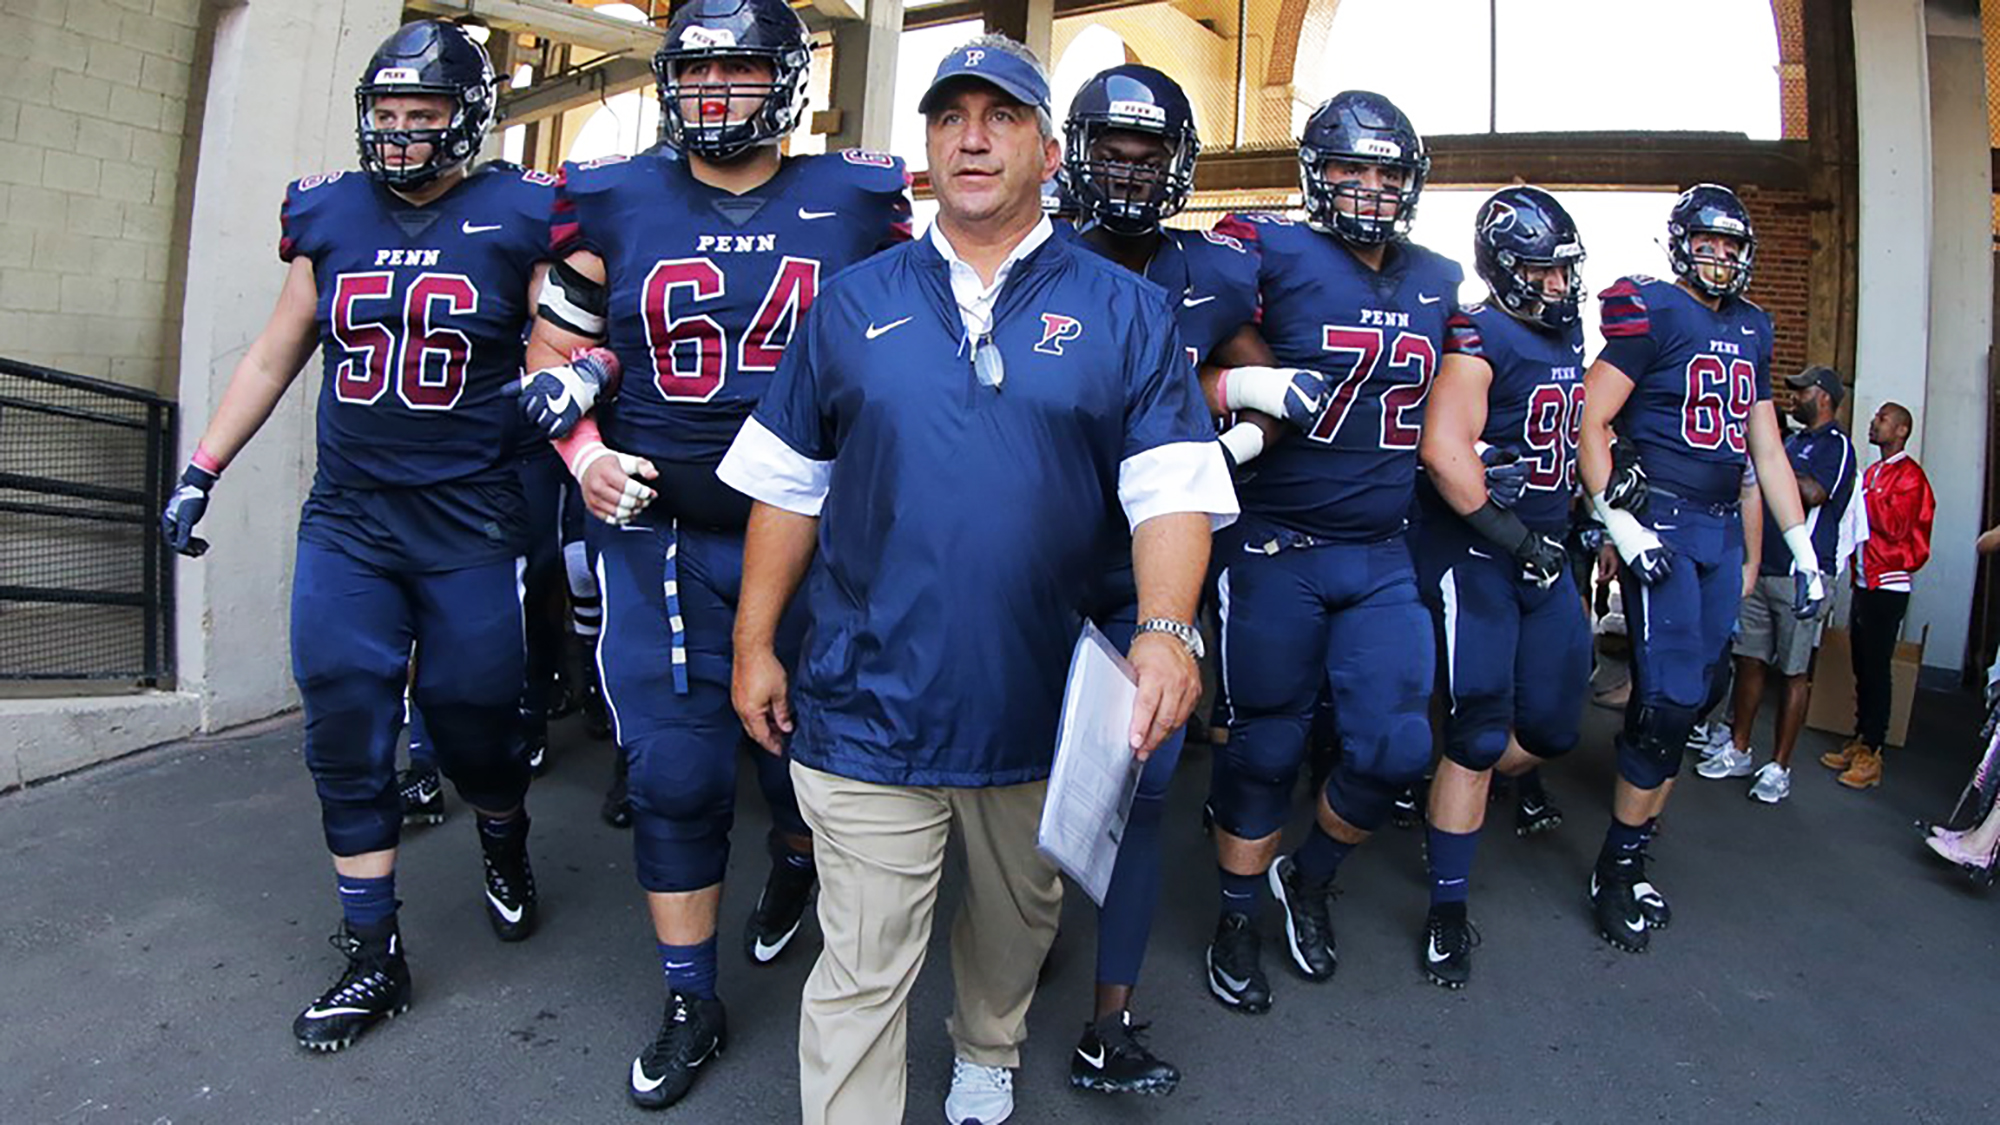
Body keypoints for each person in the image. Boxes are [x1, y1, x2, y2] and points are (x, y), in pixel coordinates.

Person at [718, 36, 1235, 1125]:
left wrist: (1164, 629)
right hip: (865, 699)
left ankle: (988, 1045)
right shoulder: (851, 305)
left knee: (1013, 923)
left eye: (998, 117)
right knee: (860, 963)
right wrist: (754, 642)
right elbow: (786, 485)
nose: (970, 136)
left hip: (1037, 702)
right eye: (948, 115)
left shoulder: (1128, 314)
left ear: (1048, 151)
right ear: (924, 148)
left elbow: (1171, 491)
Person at [510, 0, 911, 1108]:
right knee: (676, 775)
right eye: (697, 73)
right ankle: (690, 993)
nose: (716, 94)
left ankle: (790, 864)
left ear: (785, 81)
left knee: (812, 768)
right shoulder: (616, 196)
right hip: (662, 535)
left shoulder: (857, 200)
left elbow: (914, 344)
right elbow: (557, 351)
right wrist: (583, 447)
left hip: (820, 545)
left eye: (740, 71)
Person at [158, 21, 549, 1050]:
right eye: (387, 114)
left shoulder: (521, 213)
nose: (402, 133)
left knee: (474, 720)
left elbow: (563, 351)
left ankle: (502, 831)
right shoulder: (330, 212)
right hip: (351, 521)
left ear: (466, 120)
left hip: (470, 521)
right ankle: (374, 953)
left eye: (424, 116)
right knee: (342, 727)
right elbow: (274, 355)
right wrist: (201, 468)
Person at [1200, 90, 1462, 1012]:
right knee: (1265, 745)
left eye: (1389, 171)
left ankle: (1304, 877)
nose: (1370, 187)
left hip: (1383, 548)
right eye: (1351, 167)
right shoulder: (1265, 251)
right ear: (1316, 173)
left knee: (1395, 747)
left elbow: (1469, 387)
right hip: (1275, 542)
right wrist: (1247, 382)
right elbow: (1167, 359)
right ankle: (1236, 910)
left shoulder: (1436, 276)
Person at [1056, 62, 1262, 1094]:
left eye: (1149, 159)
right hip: (1036, 563)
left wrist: (1244, 433)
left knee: (1138, 792)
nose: (1130, 177)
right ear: (1074, 154)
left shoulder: (1213, 274)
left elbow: (1266, 379)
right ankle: (1014, 956)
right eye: (1111, 154)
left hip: (1150, 574)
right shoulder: (1032, 259)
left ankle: (1111, 1020)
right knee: (1010, 790)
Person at [1577, 183, 1828, 953]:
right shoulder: (1652, 310)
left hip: (1720, 528)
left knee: (1703, 694)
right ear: (1681, 243)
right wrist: (1617, 520)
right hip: (1665, 523)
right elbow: (1589, 419)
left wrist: (1801, 549)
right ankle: (1615, 867)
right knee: (1667, 701)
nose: (1719, 257)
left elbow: (1767, 449)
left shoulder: (1753, 326)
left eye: (1730, 245)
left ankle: (1639, 846)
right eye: (1707, 242)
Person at [1413, 185, 1591, 988]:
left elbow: (1579, 427)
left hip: (1547, 550)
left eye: (1564, 272)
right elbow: (1445, 449)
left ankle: (1449, 776)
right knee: (1480, 731)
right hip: (1486, 552)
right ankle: (1447, 902)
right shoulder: (1476, 333)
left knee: (1552, 725)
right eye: (1545, 273)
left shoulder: (1569, 333)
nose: (1559, 286)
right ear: (1508, 269)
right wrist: (1515, 536)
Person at [1697, 364, 1855, 802]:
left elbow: (1811, 493)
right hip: (1763, 569)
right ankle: (1739, 747)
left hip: (1801, 576)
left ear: (1823, 396)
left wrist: (1770, 456)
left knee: (1794, 672)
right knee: (1750, 661)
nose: (1795, 398)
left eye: (1803, 391)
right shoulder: (1792, 441)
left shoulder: (1836, 446)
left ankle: (1779, 766)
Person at [1824, 400, 1934, 788]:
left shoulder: (1909, 478)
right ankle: (1861, 739)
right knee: (1863, 664)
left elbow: (1896, 525)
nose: (1874, 423)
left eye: (1883, 419)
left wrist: (1862, 496)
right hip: (1865, 580)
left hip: (1889, 584)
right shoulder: (1873, 473)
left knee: (1877, 667)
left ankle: (1874, 753)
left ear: (1901, 430)